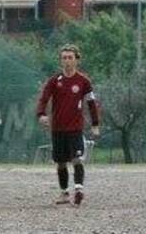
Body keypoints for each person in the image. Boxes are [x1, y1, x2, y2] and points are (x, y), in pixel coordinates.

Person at [36, 44, 100, 206]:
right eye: (64, 57)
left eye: (70, 57)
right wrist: (41, 114)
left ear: (77, 60)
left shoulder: (83, 81)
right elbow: (44, 98)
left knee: (77, 159)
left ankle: (78, 189)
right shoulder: (54, 81)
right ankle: (64, 193)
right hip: (57, 128)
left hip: (75, 129)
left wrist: (95, 123)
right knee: (61, 162)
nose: (67, 61)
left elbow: (91, 103)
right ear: (60, 60)